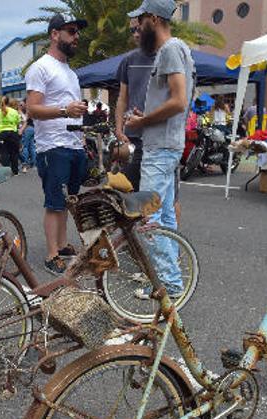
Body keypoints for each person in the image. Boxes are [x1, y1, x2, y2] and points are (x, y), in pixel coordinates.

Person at [124, 0, 193, 300]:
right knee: (164, 217)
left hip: (160, 147)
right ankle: (171, 280)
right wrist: (146, 115)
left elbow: (179, 101)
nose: (137, 27)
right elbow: (173, 100)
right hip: (163, 144)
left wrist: (143, 120)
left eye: (139, 21)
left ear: (153, 18)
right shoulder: (176, 49)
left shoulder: (170, 49)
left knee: (147, 217)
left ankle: (170, 286)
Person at [24, 12, 89, 274]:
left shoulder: (70, 73)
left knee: (68, 200)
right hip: (52, 146)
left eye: (77, 32)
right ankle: (52, 254)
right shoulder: (41, 67)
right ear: (54, 34)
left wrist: (82, 136)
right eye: (71, 31)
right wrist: (65, 110)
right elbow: (33, 109)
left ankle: (62, 245)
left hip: (73, 145)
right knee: (54, 202)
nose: (77, 37)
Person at [115, 15, 156, 191]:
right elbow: (122, 98)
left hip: (159, 139)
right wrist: (118, 129)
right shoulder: (128, 61)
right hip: (133, 138)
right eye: (132, 30)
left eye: (139, 29)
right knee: (128, 193)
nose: (136, 34)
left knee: (161, 198)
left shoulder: (167, 56)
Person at [0, 96, 22, 174]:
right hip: (12, 134)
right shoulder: (14, 112)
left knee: (3, 152)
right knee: (14, 153)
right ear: (9, 102)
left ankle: (6, 171)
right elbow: (18, 122)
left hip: (1, 134)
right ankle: (15, 172)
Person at [19, 100, 35, 173]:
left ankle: (25, 163)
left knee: (24, 146)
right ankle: (33, 163)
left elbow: (25, 120)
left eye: (21, 105)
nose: (20, 106)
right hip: (32, 128)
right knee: (32, 147)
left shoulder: (26, 111)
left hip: (27, 129)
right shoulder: (31, 110)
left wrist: (21, 130)